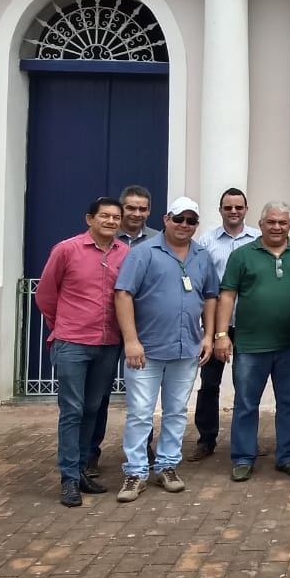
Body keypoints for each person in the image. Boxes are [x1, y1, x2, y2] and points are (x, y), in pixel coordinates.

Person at [113, 197, 219, 503]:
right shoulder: (144, 252)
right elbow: (123, 294)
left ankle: (167, 465)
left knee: (176, 412)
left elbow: (210, 296)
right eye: (179, 219)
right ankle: (135, 472)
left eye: (191, 221)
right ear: (166, 218)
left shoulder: (201, 256)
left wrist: (209, 335)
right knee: (140, 413)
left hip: (187, 348)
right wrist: (131, 340)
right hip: (146, 349)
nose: (184, 225)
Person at [35, 196, 129, 507]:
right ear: (90, 219)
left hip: (108, 344)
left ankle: (81, 469)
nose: (111, 221)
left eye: (116, 217)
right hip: (73, 343)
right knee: (72, 410)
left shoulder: (125, 254)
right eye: (105, 216)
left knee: (93, 408)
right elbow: (45, 295)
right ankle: (68, 479)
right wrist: (64, 325)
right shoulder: (66, 250)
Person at [211, 201, 290, 482]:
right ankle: (243, 458)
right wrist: (221, 335)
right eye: (271, 222)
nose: (277, 227)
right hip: (250, 345)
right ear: (261, 224)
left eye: (282, 222)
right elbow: (227, 296)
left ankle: (288, 456)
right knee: (246, 403)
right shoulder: (242, 255)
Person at [85, 183, 157, 478]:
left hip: (144, 329)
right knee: (97, 395)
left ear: (149, 211)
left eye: (143, 209)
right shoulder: (105, 238)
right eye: (131, 208)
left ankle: (144, 448)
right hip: (105, 329)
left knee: (143, 396)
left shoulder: (158, 241)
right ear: (121, 209)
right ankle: (89, 453)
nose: (136, 214)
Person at [188, 187, 259, 462]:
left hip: (250, 324)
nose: (233, 211)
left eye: (238, 207)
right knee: (209, 384)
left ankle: (247, 440)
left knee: (248, 385)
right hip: (216, 323)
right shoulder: (206, 242)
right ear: (220, 210)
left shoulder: (258, 239)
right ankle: (206, 439)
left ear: (246, 209)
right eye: (228, 207)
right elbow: (202, 283)